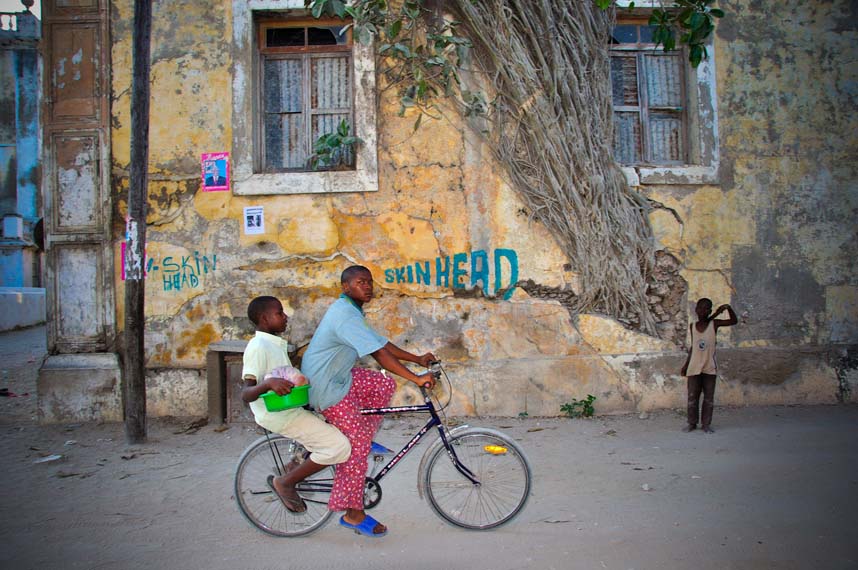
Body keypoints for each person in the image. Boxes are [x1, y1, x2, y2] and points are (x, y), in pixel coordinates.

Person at [301, 265, 437, 538]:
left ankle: (360, 437)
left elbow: (381, 344)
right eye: (360, 282)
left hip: (340, 378)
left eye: (369, 282)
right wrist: (416, 378)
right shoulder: (344, 316)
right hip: (326, 388)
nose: (367, 286)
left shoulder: (352, 311)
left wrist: (417, 359)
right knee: (356, 448)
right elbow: (380, 355)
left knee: (382, 384)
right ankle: (353, 514)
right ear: (345, 287)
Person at [241, 296, 351, 513]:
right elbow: (246, 394)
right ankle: (286, 482)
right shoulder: (258, 346)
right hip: (279, 415)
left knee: (334, 425)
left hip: (290, 409)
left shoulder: (274, 345)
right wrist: (268, 384)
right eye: (279, 313)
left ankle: (294, 468)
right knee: (339, 447)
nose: (285, 317)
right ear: (264, 318)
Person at [680, 298, 738, 433]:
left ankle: (706, 424)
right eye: (700, 308)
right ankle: (692, 423)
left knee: (708, 398)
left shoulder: (714, 324)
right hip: (694, 366)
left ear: (710, 311)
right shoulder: (693, 326)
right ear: (696, 310)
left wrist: (728, 309)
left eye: (706, 308)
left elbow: (733, 321)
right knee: (692, 397)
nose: (702, 311)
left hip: (709, 367)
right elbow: (693, 347)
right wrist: (686, 365)